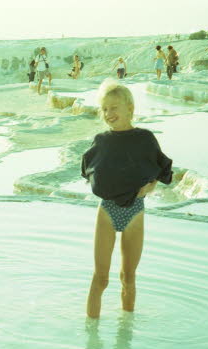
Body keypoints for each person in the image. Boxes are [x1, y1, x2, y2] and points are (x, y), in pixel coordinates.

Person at [81, 79, 173, 317]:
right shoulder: (102, 141)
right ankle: (91, 338)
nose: (108, 113)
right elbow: (87, 167)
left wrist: (152, 185)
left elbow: (162, 169)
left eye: (114, 107)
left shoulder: (145, 139)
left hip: (136, 212)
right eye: (104, 109)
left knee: (128, 277)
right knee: (100, 279)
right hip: (107, 211)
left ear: (130, 108)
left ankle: (126, 337)